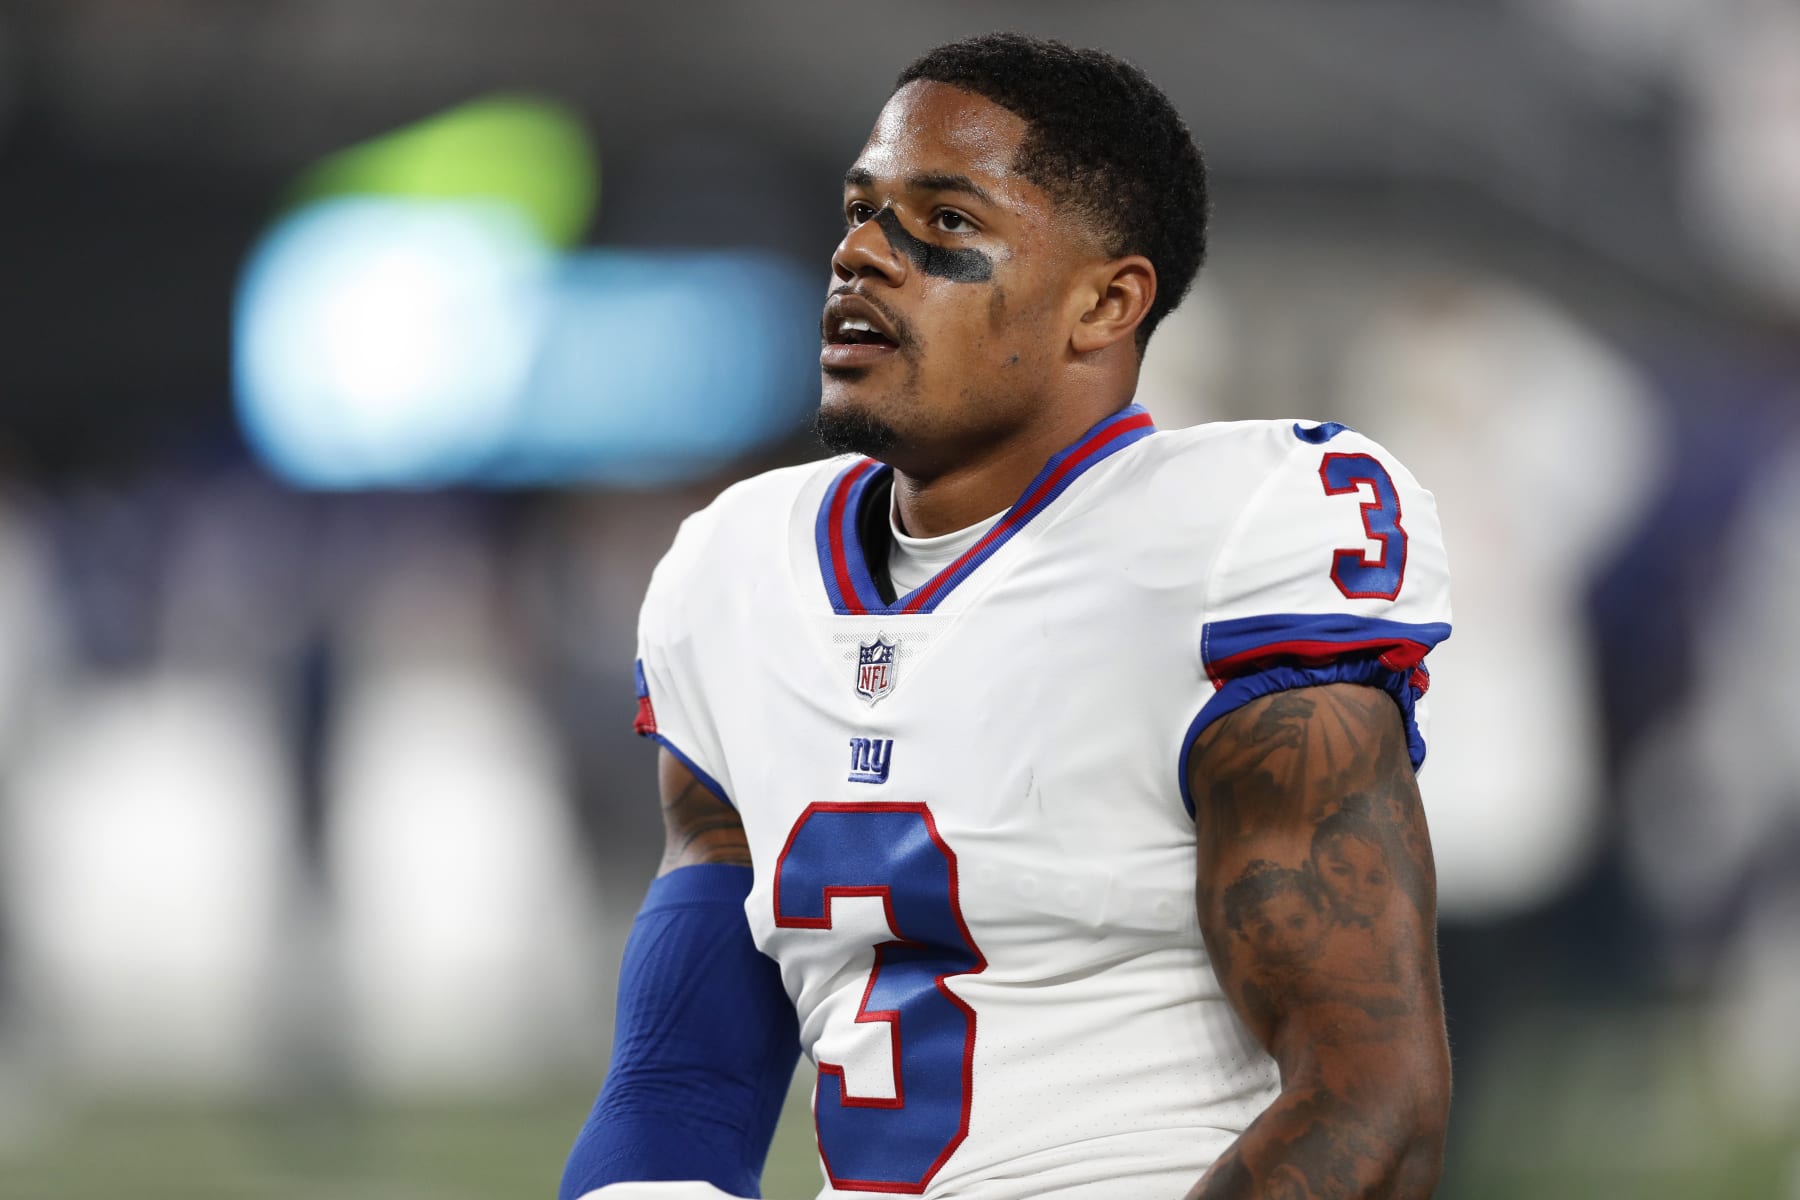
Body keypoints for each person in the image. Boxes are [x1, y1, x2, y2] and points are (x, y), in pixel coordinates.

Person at [561, 32, 1453, 1200]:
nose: (858, 256)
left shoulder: (1232, 538)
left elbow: (1370, 1108)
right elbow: (682, 1085)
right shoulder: (736, 571)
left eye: (942, 222)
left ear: (1104, 302)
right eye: (860, 211)